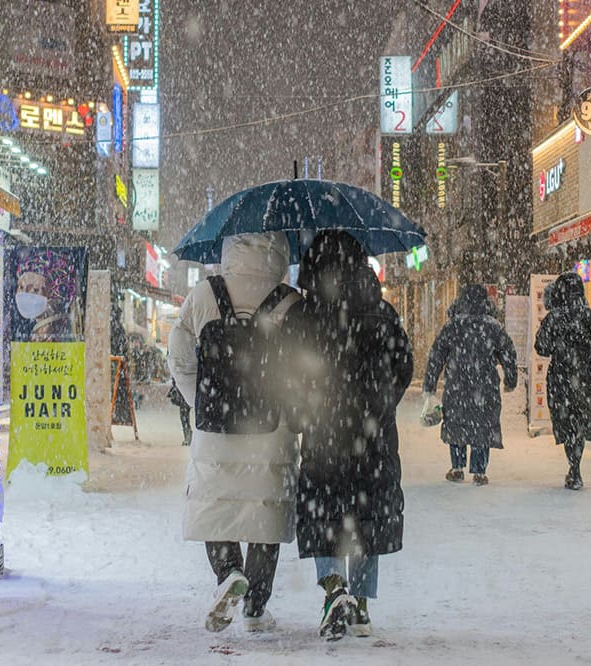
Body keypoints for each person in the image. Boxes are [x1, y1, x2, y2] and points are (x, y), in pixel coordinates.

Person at [280, 230, 413, 641]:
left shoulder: (303, 315)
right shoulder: (382, 311)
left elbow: (287, 373)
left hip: (325, 432)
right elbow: (404, 365)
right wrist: (383, 404)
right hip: (372, 435)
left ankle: (333, 588)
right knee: (367, 516)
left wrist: (302, 411)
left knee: (324, 509)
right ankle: (361, 605)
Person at [167, 232, 300, 634]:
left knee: (217, 505)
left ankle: (228, 571)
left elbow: (178, 354)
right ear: (280, 251)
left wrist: (199, 402)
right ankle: (256, 607)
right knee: (265, 513)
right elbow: (302, 366)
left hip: (216, 425)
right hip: (270, 428)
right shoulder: (290, 300)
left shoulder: (204, 293)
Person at [421, 284, 517, 486]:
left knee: (457, 424)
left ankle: (457, 467)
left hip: (457, 385)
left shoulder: (453, 326)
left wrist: (430, 385)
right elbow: (508, 353)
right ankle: (480, 471)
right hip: (485, 385)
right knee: (483, 425)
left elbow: (436, 355)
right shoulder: (493, 326)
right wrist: (510, 379)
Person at [535, 272, 591, 490]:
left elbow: (541, 346)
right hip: (586, 376)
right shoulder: (590, 317)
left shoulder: (554, 318)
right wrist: (588, 352)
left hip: (560, 376)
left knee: (567, 420)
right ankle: (575, 465)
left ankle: (574, 466)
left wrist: (560, 349)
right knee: (579, 420)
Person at [13, 250, 81, 342]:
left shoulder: (55, 333)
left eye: (34, 289)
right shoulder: (30, 330)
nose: (24, 293)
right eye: (21, 287)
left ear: (54, 295)